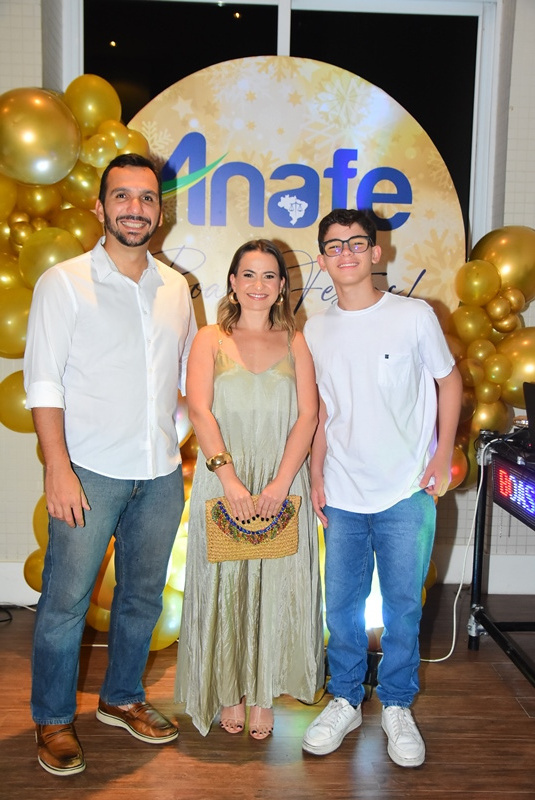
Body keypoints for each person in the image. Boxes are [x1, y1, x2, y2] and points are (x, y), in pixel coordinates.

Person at [23, 153, 197, 776]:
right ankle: (52, 717)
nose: (134, 208)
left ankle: (121, 697)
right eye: (121, 196)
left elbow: (186, 382)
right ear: (100, 207)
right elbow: (43, 383)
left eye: (146, 198)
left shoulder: (176, 289)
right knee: (65, 602)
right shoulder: (63, 282)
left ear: (159, 213)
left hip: (159, 474)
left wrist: (182, 446)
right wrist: (57, 468)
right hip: (88, 471)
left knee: (141, 598)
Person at [301, 209, 462, 767]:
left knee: (402, 608)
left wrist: (442, 453)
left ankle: (396, 703)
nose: (345, 252)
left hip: (405, 490)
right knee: (342, 607)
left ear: (376, 252)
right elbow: (322, 411)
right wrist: (316, 472)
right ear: (322, 260)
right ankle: (345, 697)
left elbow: (448, 382)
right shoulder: (315, 330)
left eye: (356, 243)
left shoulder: (413, 316)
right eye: (333, 245)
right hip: (342, 491)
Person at [175, 239, 324, 738]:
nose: (258, 285)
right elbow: (200, 410)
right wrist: (230, 479)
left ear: (282, 286)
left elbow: (308, 415)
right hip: (225, 480)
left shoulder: (297, 341)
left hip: (282, 479)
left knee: (275, 587)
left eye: (269, 275)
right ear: (233, 282)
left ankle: (262, 694)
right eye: (249, 274)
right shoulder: (209, 339)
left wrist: (281, 482)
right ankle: (228, 689)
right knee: (227, 587)